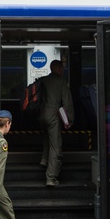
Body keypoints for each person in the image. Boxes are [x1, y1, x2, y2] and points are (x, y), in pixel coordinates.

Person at [39, 59, 74, 187]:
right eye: (62, 68)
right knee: (56, 145)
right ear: (58, 69)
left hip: (42, 114)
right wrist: (69, 119)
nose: (63, 70)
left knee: (47, 137)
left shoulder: (43, 80)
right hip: (54, 114)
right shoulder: (61, 82)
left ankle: (44, 159)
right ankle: (51, 177)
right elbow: (67, 103)